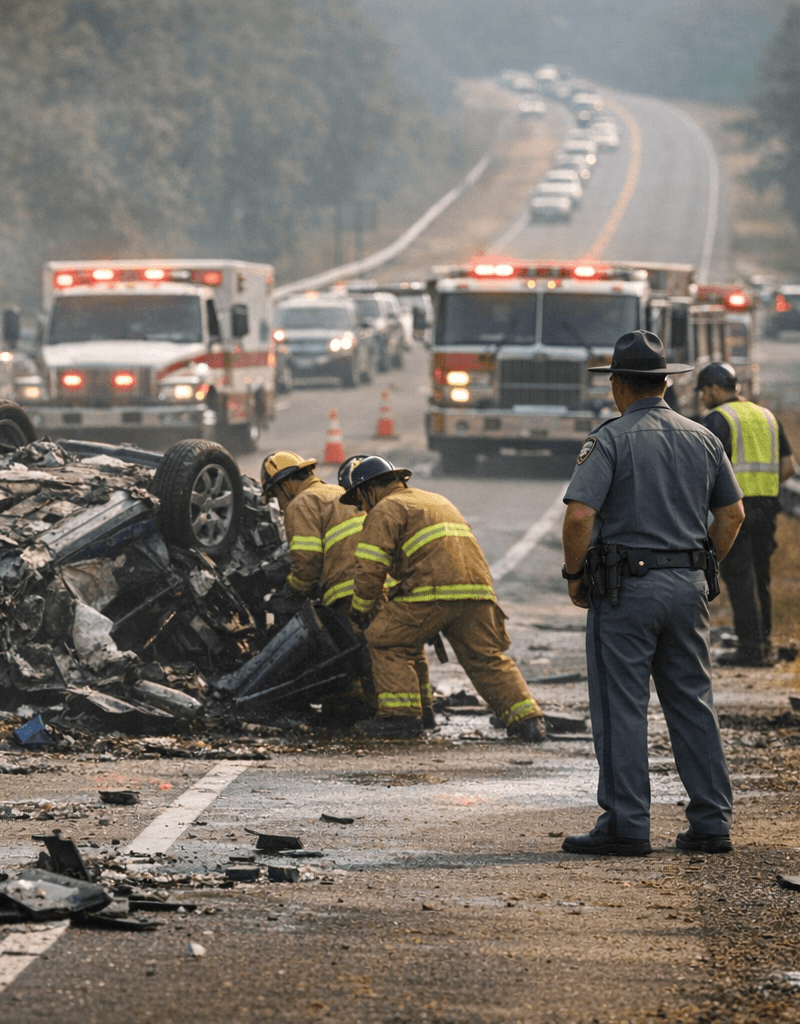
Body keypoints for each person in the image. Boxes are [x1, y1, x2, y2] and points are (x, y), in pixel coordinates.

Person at [560, 331, 745, 857]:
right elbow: (732, 515)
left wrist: (576, 579)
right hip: (688, 590)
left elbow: (579, 516)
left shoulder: (611, 438)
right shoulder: (703, 438)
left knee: (622, 706)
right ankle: (711, 824)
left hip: (625, 593)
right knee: (692, 703)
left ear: (618, 385)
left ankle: (626, 825)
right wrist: (701, 566)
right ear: (666, 383)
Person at [342, 454, 548, 741]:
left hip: (432, 591)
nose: (361, 508)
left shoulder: (386, 508)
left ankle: (401, 718)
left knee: (384, 637)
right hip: (476, 591)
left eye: (359, 500)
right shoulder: (435, 500)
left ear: (370, 489)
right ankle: (527, 721)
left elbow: (371, 566)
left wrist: (361, 609)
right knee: (485, 657)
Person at [259, 451, 373, 721]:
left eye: (276, 495)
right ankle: (414, 709)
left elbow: (307, 561)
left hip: (347, 586)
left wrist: (292, 590)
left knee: (350, 652)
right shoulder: (340, 492)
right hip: (377, 580)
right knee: (382, 648)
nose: (280, 503)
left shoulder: (301, 503)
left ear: (286, 485)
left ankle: (353, 711)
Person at [697, 362, 797, 666]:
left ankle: (751, 650)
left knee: (740, 577)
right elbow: (789, 467)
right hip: (767, 508)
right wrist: (764, 486)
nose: (702, 398)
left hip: (734, 509)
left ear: (714, 388)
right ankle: (763, 643)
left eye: (703, 391)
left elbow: (702, 470)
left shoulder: (718, 419)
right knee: (761, 575)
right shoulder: (767, 415)